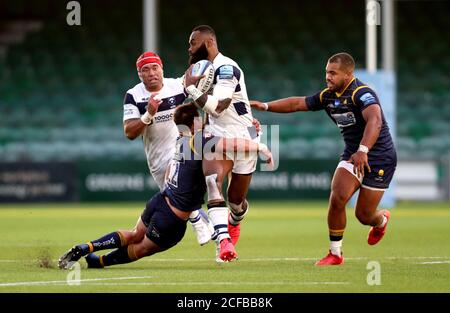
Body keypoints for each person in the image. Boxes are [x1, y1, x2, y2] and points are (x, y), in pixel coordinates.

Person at [58, 103, 273, 269]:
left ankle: (88, 247)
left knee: (134, 233)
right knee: (140, 248)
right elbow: (231, 145)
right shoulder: (199, 141)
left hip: (160, 200)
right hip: (172, 218)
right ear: (195, 123)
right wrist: (260, 145)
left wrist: (252, 131)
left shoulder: (180, 141)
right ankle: (100, 261)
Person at [251, 52, 397, 266]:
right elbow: (297, 104)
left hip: (379, 156)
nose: (328, 77)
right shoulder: (328, 95)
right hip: (353, 153)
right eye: (327, 72)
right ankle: (335, 254)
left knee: (364, 215)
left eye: (333, 73)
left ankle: (381, 220)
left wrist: (364, 150)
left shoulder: (362, 93)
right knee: (337, 197)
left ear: (348, 75)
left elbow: (375, 120)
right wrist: (265, 106)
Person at [183, 25, 260, 261]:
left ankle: (234, 220)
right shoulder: (200, 70)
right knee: (212, 182)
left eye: (193, 42)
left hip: (243, 136)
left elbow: (220, 105)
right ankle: (224, 242)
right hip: (217, 137)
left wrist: (192, 90)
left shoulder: (227, 67)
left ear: (208, 43)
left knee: (236, 201)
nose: (189, 48)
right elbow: (208, 110)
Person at [122, 51, 213, 246]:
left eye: (155, 67)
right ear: (139, 74)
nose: (151, 73)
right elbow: (129, 132)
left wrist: (205, 75)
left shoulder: (177, 86)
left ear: (162, 68)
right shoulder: (134, 95)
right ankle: (209, 224)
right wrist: (148, 114)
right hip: (158, 159)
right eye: (145, 70)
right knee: (181, 199)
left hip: (183, 149)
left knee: (189, 191)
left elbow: (201, 80)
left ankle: (202, 223)